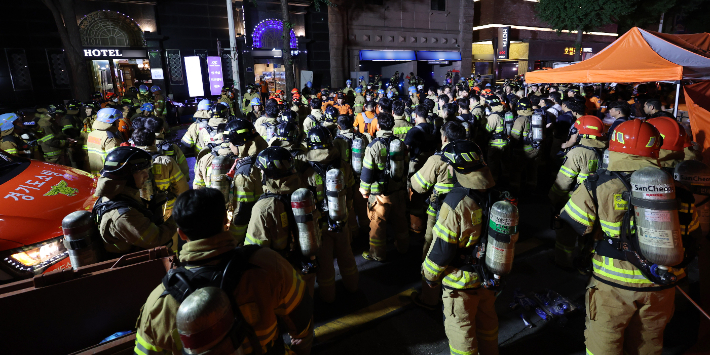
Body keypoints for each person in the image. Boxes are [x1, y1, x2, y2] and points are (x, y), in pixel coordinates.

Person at [134, 188, 314, 355]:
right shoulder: (268, 264)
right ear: (225, 222)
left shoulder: (159, 304)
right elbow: (302, 321)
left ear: (181, 234)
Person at [560, 120, 681, 355]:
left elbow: (573, 225)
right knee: (648, 346)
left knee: (603, 344)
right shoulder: (676, 187)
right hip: (661, 283)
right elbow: (692, 234)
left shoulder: (598, 184)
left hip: (612, 285)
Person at [421, 140, 499, 355]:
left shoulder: (456, 202)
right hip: (489, 272)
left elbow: (443, 249)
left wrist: (429, 276)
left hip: (461, 281)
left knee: (461, 330)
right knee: (487, 322)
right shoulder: (494, 191)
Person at [410, 121, 467, 310]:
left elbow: (418, 186)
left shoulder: (437, 160)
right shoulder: (473, 156)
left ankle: (429, 297)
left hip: (440, 214)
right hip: (468, 213)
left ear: (444, 138)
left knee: (432, 249)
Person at [300, 126, 360, 302]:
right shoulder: (343, 165)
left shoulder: (306, 171)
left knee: (325, 265)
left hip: (320, 227)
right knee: (347, 257)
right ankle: (353, 286)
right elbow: (349, 193)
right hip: (341, 220)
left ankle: (328, 298)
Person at [93, 146, 177, 256]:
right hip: (135, 267)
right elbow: (156, 238)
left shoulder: (117, 192)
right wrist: (178, 217)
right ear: (126, 175)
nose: (147, 176)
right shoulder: (123, 215)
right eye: (142, 172)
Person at [549, 115, 607, 268]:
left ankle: (563, 263)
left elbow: (563, 181)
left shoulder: (578, 152)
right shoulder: (608, 151)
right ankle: (585, 264)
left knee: (565, 235)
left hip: (576, 201)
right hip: (601, 202)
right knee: (589, 237)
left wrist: (554, 199)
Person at [359, 112, 410, 261]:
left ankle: (377, 254)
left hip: (380, 195)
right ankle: (404, 247)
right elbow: (406, 167)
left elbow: (367, 172)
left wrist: (364, 191)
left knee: (377, 226)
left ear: (379, 126)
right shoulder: (399, 144)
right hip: (398, 192)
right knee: (401, 221)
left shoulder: (373, 146)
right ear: (392, 126)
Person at [132, 116, 189, 220]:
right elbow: (182, 185)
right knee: (168, 233)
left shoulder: (128, 160)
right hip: (167, 206)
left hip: (138, 209)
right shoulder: (167, 159)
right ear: (153, 142)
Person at [86, 108, 123, 175]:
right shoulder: (110, 138)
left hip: (94, 173)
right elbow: (115, 160)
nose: (119, 122)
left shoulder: (92, 134)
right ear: (111, 121)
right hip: (107, 175)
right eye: (117, 120)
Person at [484, 96, 507, 181]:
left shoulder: (493, 116)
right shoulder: (504, 112)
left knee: (493, 165)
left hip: (495, 144)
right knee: (504, 164)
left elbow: (487, 130)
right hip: (505, 142)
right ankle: (505, 182)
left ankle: (494, 183)